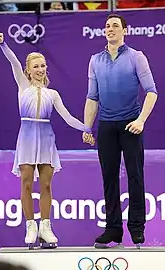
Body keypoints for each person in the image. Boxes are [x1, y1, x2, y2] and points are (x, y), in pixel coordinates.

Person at [0, 32, 94, 249]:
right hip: (27, 138)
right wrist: (3, 44)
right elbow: (12, 61)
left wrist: (87, 129)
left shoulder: (53, 94)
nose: (40, 69)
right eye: (36, 66)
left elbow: (67, 117)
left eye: (43, 66)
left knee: (47, 185)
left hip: (46, 139)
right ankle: (30, 226)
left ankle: (45, 228)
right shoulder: (22, 86)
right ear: (28, 70)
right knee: (27, 183)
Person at [82, 14, 158, 247]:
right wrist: (87, 127)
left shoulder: (137, 57)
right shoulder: (95, 60)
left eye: (115, 26)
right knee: (109, 179)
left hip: (130, 125)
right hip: (106, 126)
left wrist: (141, 120)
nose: (110, 29)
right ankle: (113, 230)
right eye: (107, 26)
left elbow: (151, 92)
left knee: (135, 177)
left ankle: (136, 228)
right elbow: (92, 97)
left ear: (125, 30)